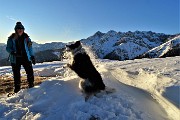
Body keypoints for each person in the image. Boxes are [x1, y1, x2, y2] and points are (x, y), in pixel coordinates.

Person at [6, 22, 36, 93]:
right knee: (16, 74)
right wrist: (13, 52)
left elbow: (30, 48)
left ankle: (31, 86)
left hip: (26, 58)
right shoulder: (11, 38)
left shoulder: (27, 38)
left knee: (30, 72)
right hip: (15, 58)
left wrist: (32, 56)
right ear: (16, 30)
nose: (20, 30)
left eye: (21, 29)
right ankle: (17, 89)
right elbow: (8, 48)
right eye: (18, 29)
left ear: (23, 30)